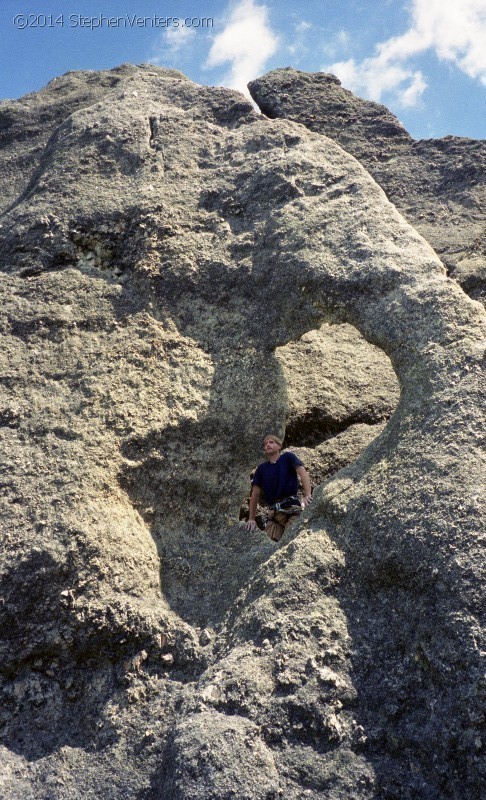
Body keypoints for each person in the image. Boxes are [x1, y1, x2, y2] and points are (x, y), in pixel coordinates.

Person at [245, 434, 313, 542]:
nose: (267, 444)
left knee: (292, 541)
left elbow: (302, 472)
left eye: (271, 442)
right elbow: (255, 494)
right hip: (274, 515)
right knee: (270, 548)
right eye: (265, 443)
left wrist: (308, 494)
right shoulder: (261, 469)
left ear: (279, 446)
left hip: (292, 510)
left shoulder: (288, 457)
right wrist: (251, 519)